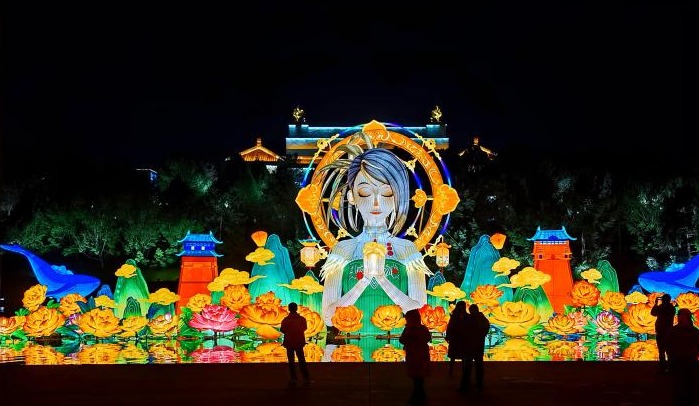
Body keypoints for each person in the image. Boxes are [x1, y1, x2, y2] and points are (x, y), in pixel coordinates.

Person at [319, 132, 432, 335]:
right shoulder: (343, 249)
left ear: (398, 197)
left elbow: (420, 311)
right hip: (351, 345)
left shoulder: (407, 249)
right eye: (365, 192)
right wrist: (363, 281)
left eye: (387, 192)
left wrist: (382, 279)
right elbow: (327, 316)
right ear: (352, 196)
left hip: (396, 343)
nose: (376, 202)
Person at [666, 308, 699, 406]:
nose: (681, 318)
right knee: (679, 386)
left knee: (689, 386)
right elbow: (668, 346)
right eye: (680, 316)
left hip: (689, 362)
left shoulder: (694, 332)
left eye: (683, 317)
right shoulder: (674, 331)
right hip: (678, 362)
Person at [399, 309, 431, 405]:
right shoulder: (423, 328)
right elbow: (428, 338)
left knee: (416, 377)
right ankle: (420, 396)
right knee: (420, 377)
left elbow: (402, 340)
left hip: (414, 355)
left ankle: (417, 397)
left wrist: (411, 339)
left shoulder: (409, 329)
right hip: (422, 355)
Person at [461, 303, 490, 393]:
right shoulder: (482, 318)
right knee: (478, 365)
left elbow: (464, 330)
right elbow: (487, 327)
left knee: (469, 365)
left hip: (470, 346)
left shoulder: (469, 318)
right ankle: (479, 384)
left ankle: (467, 384)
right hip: (478, 345)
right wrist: (483, 334)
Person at [280, 302, 311, 385]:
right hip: (299, 342)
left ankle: (293, 378)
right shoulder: (302, 319)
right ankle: (306, 377)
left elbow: (282, 329)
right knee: (302, 360)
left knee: (291, 361)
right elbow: (304, 328)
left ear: (289, 309)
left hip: (289, 342)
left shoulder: (286, 320)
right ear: (296, 308)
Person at [651, 293, 677, 373]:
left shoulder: (663, 307)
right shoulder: (672, 308)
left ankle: (663, 367)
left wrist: (656, 304)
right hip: (667, 331)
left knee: (662, 350)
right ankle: (670, 367)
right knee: (668, 350)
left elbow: (653, 313)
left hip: (662, 332)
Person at [445, 300, 468, 377]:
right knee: (462, 356)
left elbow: (450, 327)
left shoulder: (454, 315)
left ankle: (451, 372)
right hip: (461, 339)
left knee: (453, 356)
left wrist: (448, 336)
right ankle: (463, 373)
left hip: (455, 338)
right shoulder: (465, 316)